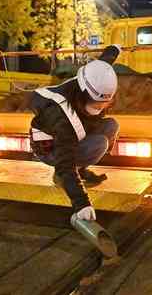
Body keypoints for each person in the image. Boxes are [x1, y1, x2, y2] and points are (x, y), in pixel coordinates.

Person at [28, 45, 121, 221]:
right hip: (51, 151)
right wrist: (82, 204)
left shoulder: (90, 78)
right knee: (100, 143)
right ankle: (61, 177)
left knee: (111, 125)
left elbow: (102, 65)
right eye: (97, 104)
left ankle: (80, 169)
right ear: (84, 95)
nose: (100, 109)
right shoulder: (61, 115)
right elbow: (65, 160)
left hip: (69, 138)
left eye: (104, 105)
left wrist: (114, 50)